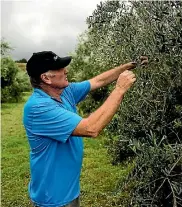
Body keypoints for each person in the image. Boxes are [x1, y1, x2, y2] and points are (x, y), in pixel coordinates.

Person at [23, 51, 148, 207]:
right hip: (53, 197)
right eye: (60, 68)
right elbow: (91, 128)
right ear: (46, 78)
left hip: (69, 190)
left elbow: (97, 81)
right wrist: (119, 89)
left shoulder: (64, 92)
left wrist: (126, 67)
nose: (66, 71)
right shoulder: (38, 108)